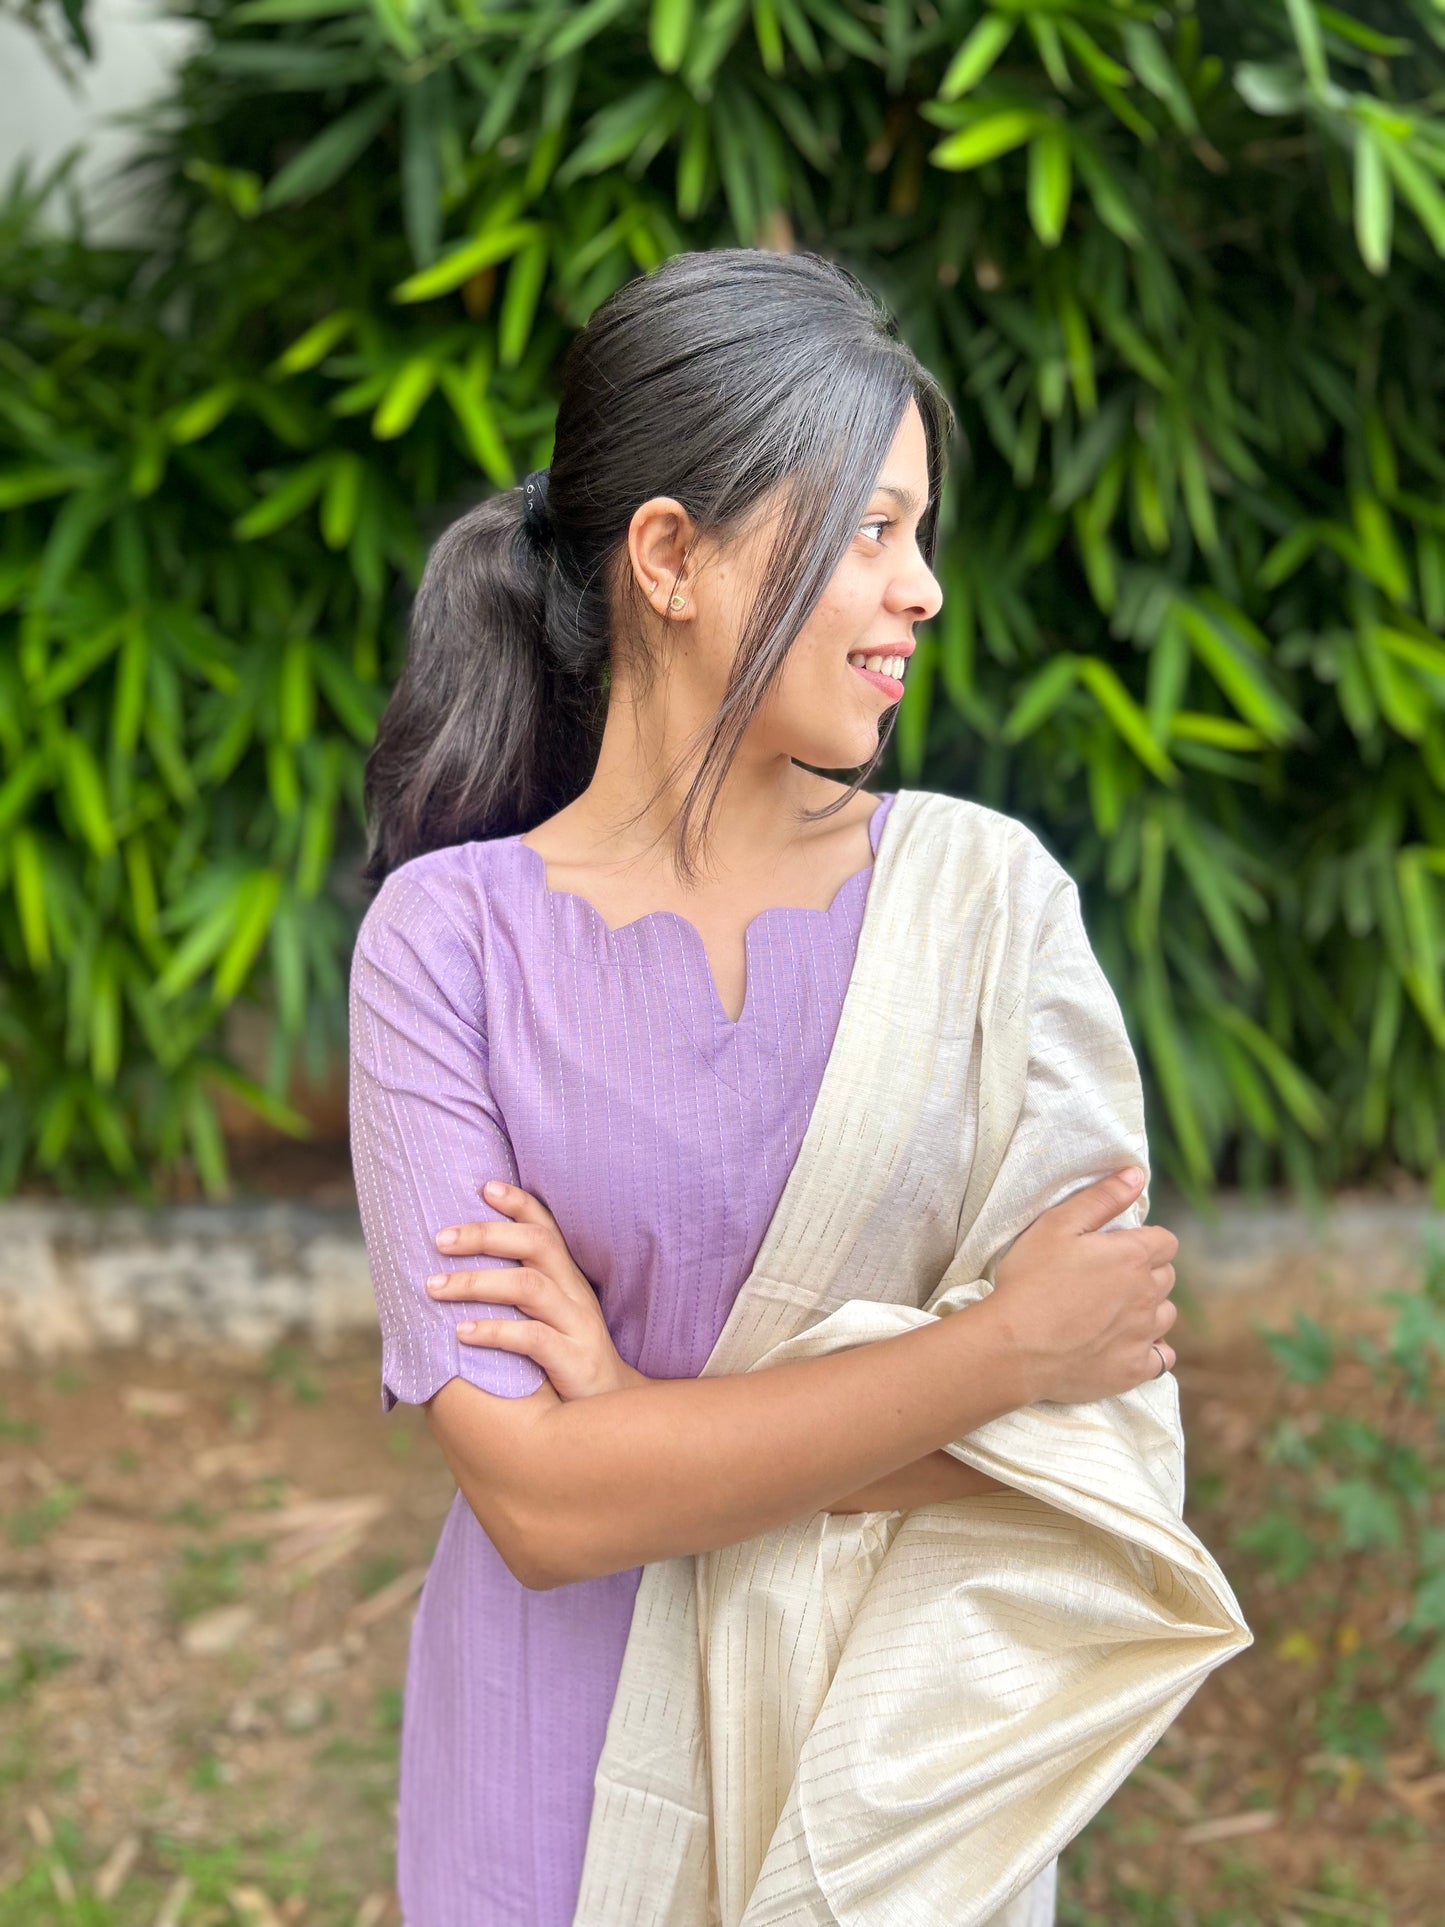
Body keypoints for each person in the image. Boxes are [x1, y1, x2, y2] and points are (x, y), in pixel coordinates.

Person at [348, 246, 1181, 1927]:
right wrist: (988, 1357)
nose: (923, 587)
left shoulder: (983, 910)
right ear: (671, 556)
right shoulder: (448, 950)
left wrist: (634, 1415)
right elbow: (539, 1507)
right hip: (548, 1786)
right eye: (871, 530)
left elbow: (1089, 1450)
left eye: (918, 534)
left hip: (879, 1781)